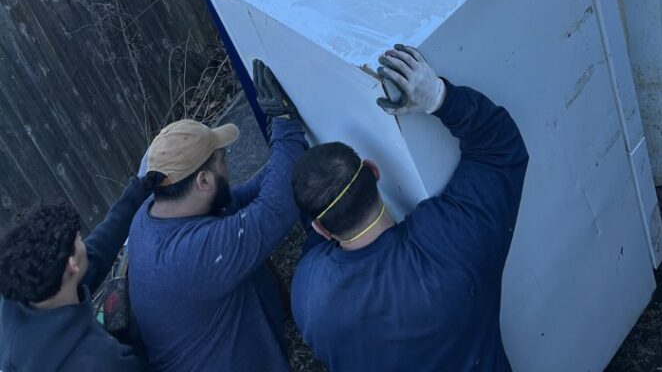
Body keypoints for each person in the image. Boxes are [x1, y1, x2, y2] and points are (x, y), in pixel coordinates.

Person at [291, 44, 529, 372]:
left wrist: (289, 131)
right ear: (374, 172)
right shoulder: (449, 245)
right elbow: (499, 149)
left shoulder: (307, 295)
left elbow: (315, 243)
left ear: (320, 228)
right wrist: (438, 98)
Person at [128, 62, 306, 372]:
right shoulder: (190, 256)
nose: (228, 165)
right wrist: (285, 124)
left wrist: (283, 157)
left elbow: (246, 196)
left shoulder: (153, 213)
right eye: (223, 160)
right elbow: (275, 211)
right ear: (203, 182)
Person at [0, 173, 160, 372]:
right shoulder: (104, 361)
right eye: (79, 238)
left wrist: (140, 189)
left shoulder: (20, 293)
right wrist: (132, 338)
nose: (84, 241)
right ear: (71, 265)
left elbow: (96, 253)